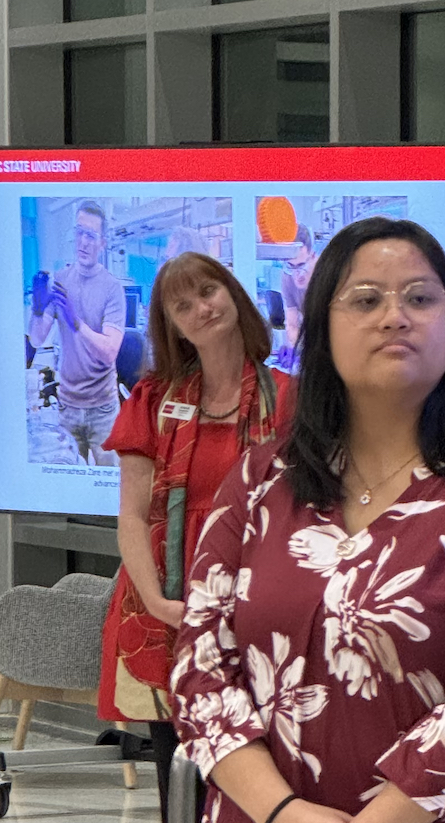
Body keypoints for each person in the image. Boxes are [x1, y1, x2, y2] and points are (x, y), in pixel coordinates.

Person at [170, 218, 445, 823]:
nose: (395, 316)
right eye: (365, 300)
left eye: (419, 297)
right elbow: (198, 664)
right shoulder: (261, 479)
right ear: (321, 327)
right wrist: (281, 811)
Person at [99, 251, 297, 820]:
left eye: (207, 292)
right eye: (182, 305)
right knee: (178, 787)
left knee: (262, 777)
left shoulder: (290, 397)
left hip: (260, 607)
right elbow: (133, 517)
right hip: (165, 607)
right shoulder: (153, 400)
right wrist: (161, 604)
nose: (200, 309)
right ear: (170, 324)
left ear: (232, 293)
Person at [29, 199, 128, 464]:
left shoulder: (112, 288)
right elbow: (37, 338)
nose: (83, 242)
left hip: (103, 409)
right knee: (69, 482)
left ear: (102, 243)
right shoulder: (60, 280)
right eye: (79, 233)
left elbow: (109, 352)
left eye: (91, 235)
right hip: (67, 405)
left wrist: (76, 323)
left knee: (109, 485)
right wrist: (37, 309)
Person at [277, 224, 319, 367]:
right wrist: (300, 350)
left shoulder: (326, 275)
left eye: (301, 265)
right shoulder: (287, 277)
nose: (297, 274)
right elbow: (292, 324)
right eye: (291, 266)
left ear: (312, 256)